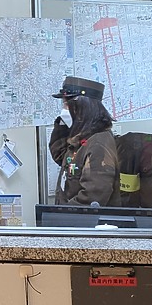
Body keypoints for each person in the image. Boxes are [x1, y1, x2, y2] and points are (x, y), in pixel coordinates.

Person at [48, 75, 121, 206]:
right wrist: (63, 124)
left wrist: (61, 214)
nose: (64, 110)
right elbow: (60, 155)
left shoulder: (98, 143)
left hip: (84, 223)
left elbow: (92, 198)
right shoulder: (82, 139)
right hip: (71, 220)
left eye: (66, 104)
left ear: (83, 107)